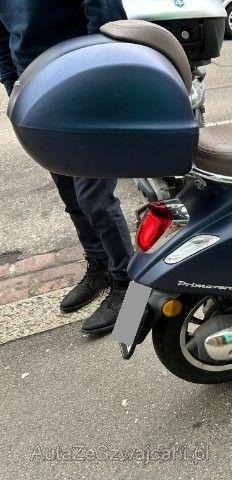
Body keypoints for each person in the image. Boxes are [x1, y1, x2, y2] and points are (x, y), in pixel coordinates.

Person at [0, 0, 134, 335]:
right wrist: (13, 86)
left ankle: (130, 286)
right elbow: (3, 37)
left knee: (95, 199)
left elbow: (106, 21)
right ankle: (100, 266)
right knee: (71, 195)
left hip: (81, 89)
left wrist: (90, 84)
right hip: (37, 96)